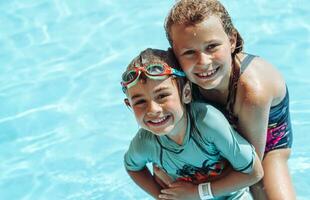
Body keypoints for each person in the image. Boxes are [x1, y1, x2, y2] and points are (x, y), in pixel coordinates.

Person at [161, 0, 295, 199]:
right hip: (217, 139)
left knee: (261, 189)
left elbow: (250, 169)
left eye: (212, 46)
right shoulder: (178, 79)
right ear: (174, 55)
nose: (203, 62)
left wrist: (199, 191)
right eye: (189, 52)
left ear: (232, 40)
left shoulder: (252, 91)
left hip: (265, 142)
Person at [122, 48, 263, 200]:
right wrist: (163, 196)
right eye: (140, 102)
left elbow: (254, 172)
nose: (153, 110)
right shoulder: (145, 142)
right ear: (129, 105)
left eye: (162, 95)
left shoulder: (207, 122)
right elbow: (133, 168)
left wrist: (197, 192)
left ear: (186, 93)